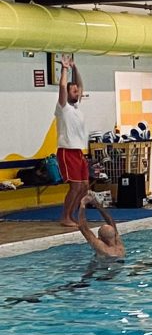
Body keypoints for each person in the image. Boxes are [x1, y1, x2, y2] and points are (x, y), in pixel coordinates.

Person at [55, 54, 88, 227]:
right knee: (75, 186)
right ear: (67, 94)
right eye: (74, 91)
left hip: (78, 151)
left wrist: (75, 67)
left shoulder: (76, 107)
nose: (78, 92)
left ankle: (72, 215)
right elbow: (62, 86)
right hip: (67, 151)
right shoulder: (63, 108)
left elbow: (80, 85)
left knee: (84, 186)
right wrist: (65, 68)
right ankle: (65, 217)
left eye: (77, 91)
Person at [77, 193, 125, 258]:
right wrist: (97, 204)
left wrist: (82, 204)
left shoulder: (102, 248)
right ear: (114, 234)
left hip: (104, 266)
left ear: (100, 238)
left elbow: (83, 228)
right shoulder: (120, 247)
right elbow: (110, 221)